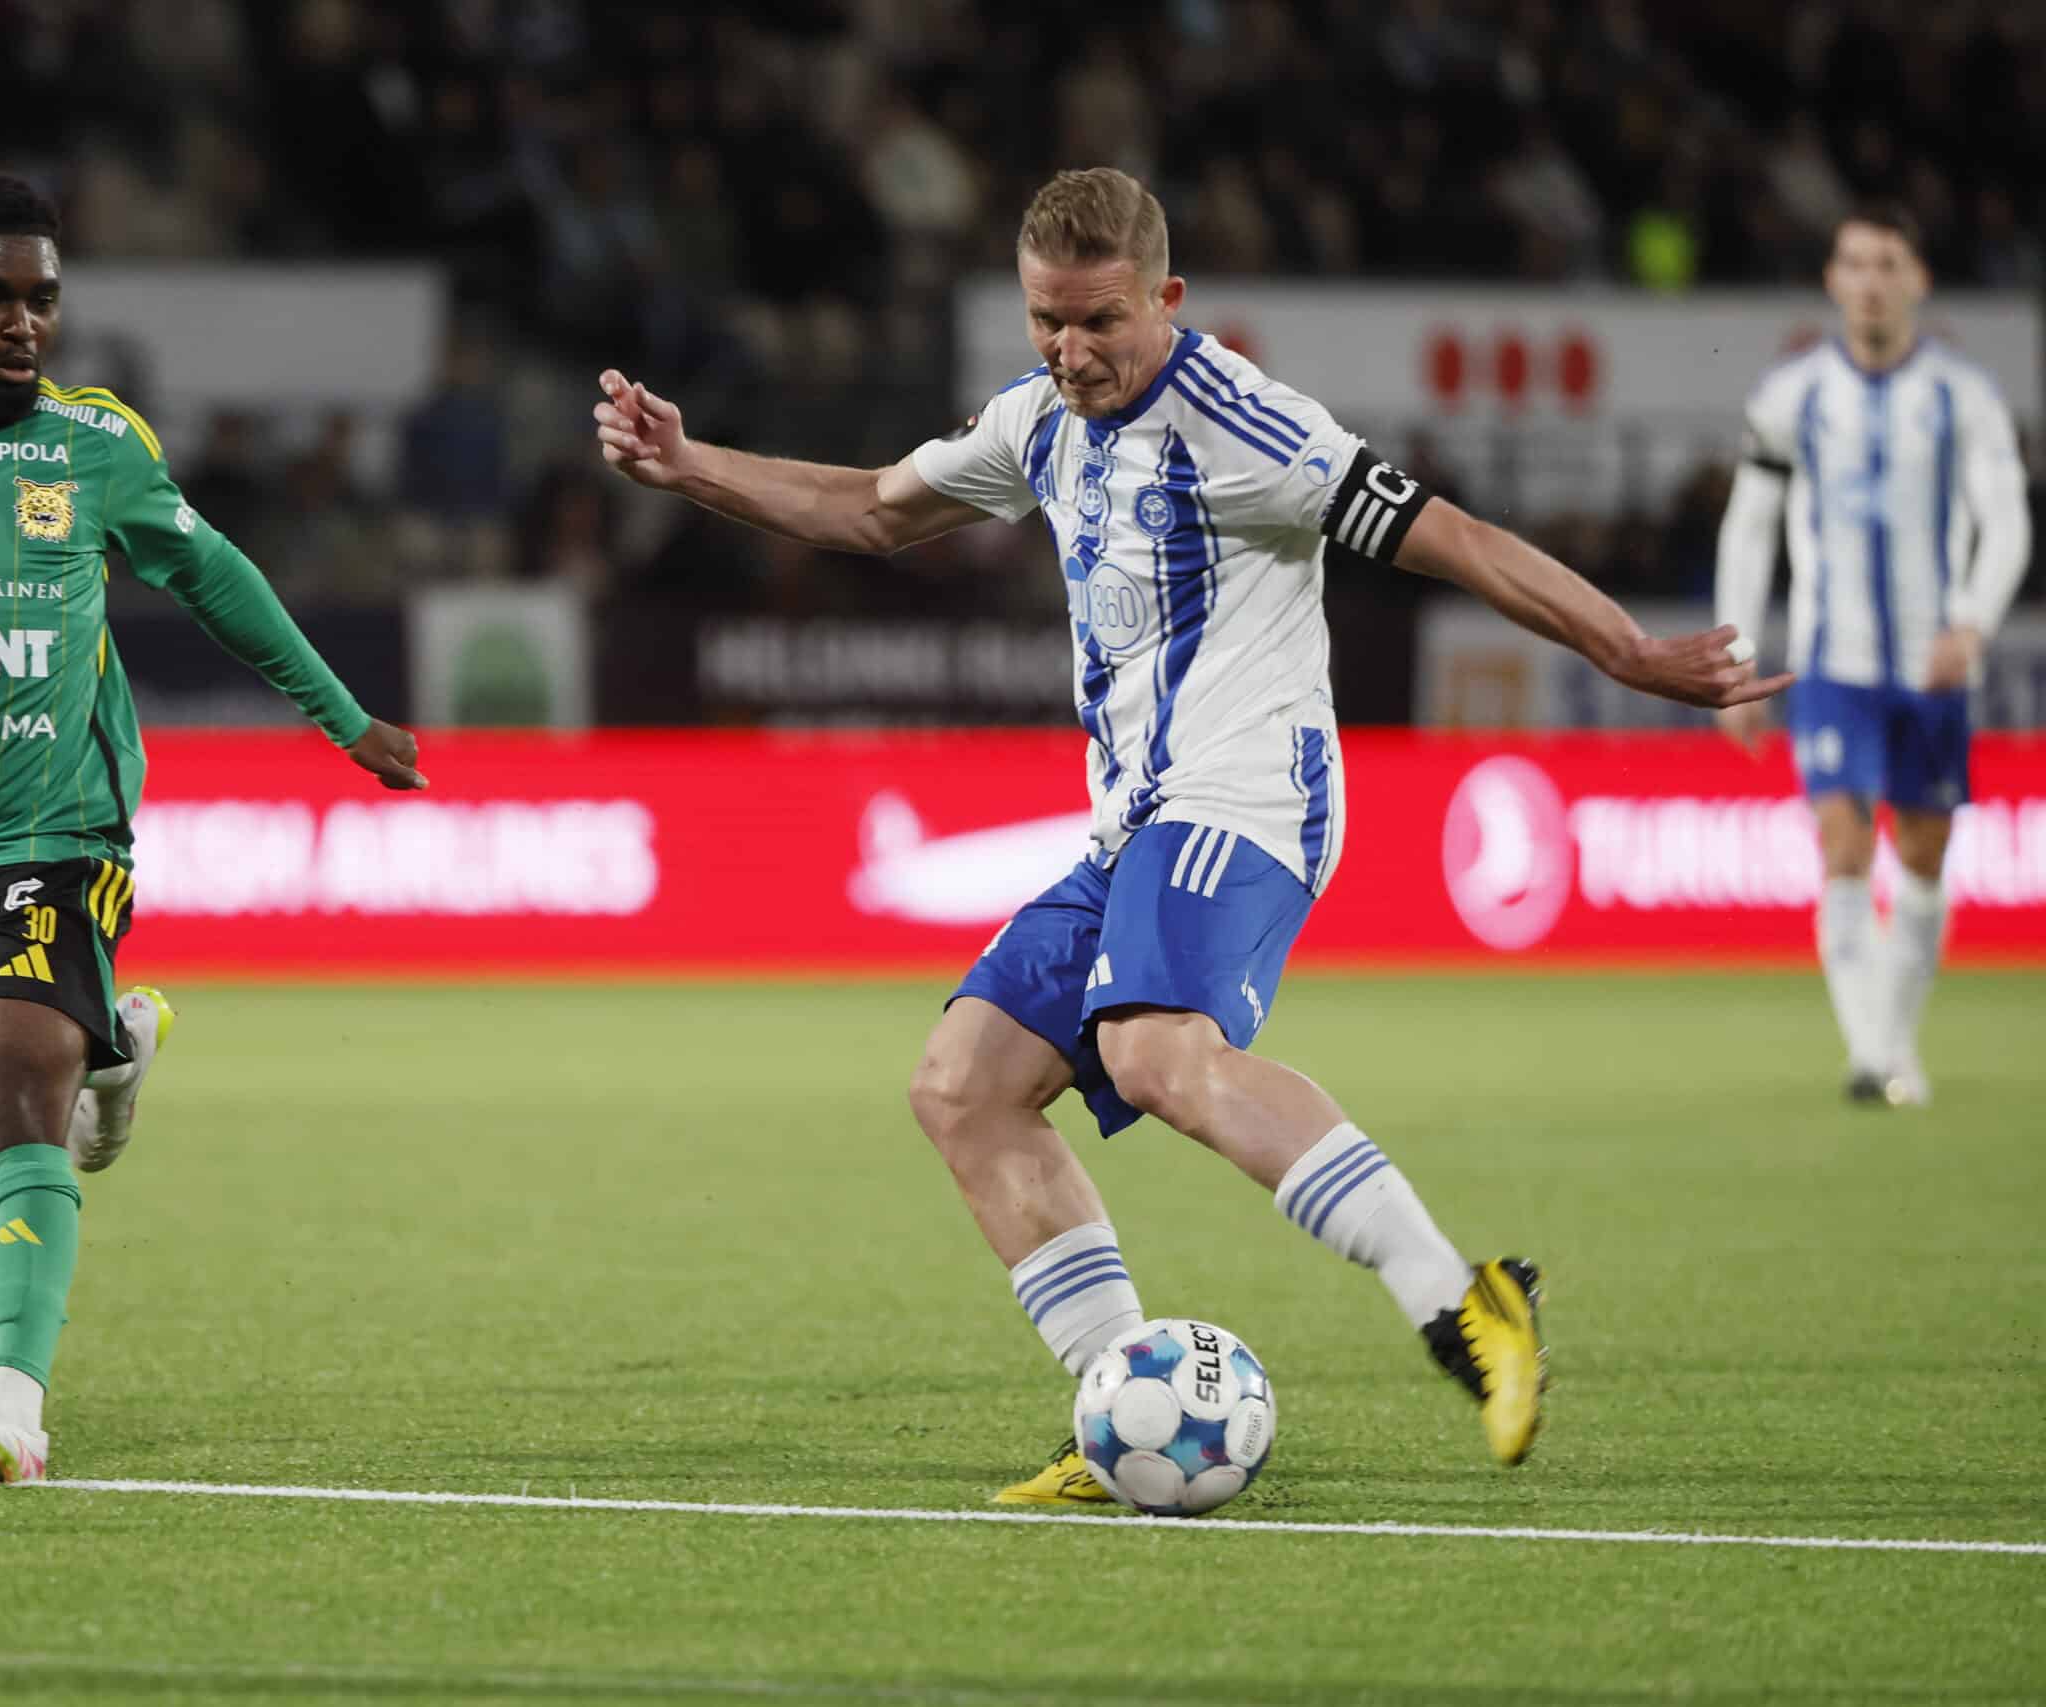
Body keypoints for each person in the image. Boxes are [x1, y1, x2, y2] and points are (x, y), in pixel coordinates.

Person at [595, 167, 1785, 1502]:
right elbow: (872, 507)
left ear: (1166, 298)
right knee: (963, 1087)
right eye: (1047, 320)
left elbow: (1449, 535)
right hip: (1134, 823)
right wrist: (688, 464)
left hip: (1252, 791)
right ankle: (1119, 1401)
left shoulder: (1246, 423)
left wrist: (1626, 648)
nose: (1071, 349)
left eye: (1100, 320)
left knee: (1155, 1050)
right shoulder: (1037, 418)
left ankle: (1461, 1297)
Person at [0, 172, 426, 1484]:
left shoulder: (93, 446)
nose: (23, 322)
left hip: (57, 836)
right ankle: (115, 1043)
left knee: (15, 1092)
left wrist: (343, 720)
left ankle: (14, 1399)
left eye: (42, 298)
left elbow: (218, 579)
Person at [1713, 204, 2031, 1107]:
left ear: (1918, 279)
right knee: (1843, 844)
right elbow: (1749, 528)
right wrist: (1738, 659)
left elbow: (2006, 518)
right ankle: (1873, 1056)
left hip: (1933, 666)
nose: (1872, 281)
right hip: (1832, 664)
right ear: (1832, 279)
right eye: (1855, 263)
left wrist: (1972, 622)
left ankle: (1893, 1042)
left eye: (1889, 263)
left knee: (1923, 858)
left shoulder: (1964, 396)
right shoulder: (1792, 396)